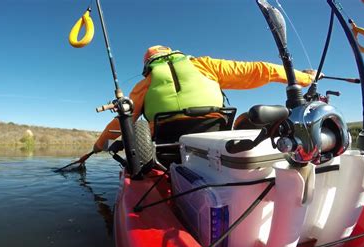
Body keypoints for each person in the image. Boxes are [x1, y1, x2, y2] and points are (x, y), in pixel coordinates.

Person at [79, 45, 319, 163]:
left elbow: (121, 121)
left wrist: (98, 147)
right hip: (218, 140)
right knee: (245, 119)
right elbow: (259, 71)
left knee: (138, 130)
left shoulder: (145, 84)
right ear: (174, 54)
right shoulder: (204, 64)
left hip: (167, 150)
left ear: (148, 63)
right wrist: (305, 78)